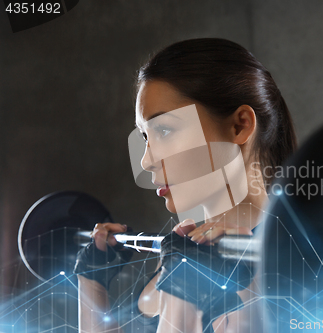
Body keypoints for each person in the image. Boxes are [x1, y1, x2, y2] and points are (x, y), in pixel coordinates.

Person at [75, 38, 297, 333]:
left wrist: (184, 293)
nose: (146, 161)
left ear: (239, 126)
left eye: (164, 130)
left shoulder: (290, 262)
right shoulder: (183, 252)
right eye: (145, 137)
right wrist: (92, 284)